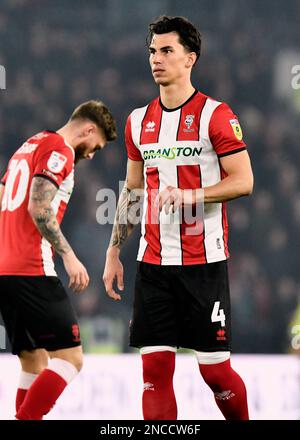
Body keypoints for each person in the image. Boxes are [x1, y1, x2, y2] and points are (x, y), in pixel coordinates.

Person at [103, 15, 253, 420]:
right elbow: (133, 190)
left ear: (190, 58)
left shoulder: (215, 116)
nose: (157, 59)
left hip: (203, 264)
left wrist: (191, 194)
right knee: (153, 372)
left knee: (216, 373)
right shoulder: (138, 121)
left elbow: (243, 181)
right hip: (153, 264)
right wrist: (114, 251)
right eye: (153, 51)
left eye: (167, 51)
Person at [0, 100, 117, 420]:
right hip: (31, 268)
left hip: (4, 269)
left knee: (34, 361)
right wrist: (69, 255)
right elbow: (39, 207)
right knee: (70, 359)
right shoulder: (60, 151)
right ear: (88, 129)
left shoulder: (30, 144)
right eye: (96, 146)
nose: (92, 154)